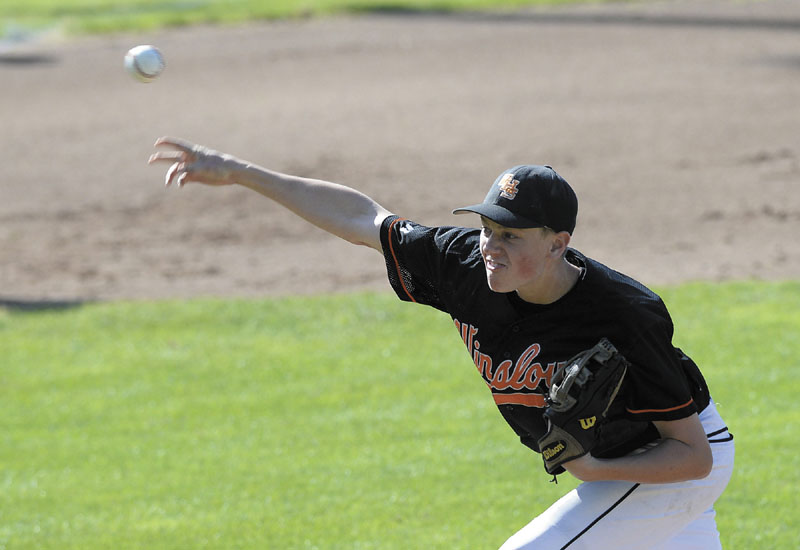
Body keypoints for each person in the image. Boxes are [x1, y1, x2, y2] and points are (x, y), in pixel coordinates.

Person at [149, 137, 735, 550]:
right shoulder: (461, 266)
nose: (490, 246)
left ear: (559, 244)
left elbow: (693, 456)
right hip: (633, 460)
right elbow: (364, 220)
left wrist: (591, 466)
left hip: (669, 456)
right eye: (486, 227)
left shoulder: (623, 316)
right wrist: (241, 173)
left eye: (510, 234)